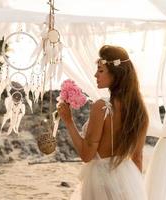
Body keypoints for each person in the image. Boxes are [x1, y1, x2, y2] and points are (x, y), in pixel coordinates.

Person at [57, 45, 149, 200]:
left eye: (100, 70)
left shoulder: (102, 106)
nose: (95, 75)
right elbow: (137, 156)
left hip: (100, 181)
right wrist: (135, 188)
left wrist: (69, 121)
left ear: (116, 75)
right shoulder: (140, 110)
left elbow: (87, 155)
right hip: (128, 178)